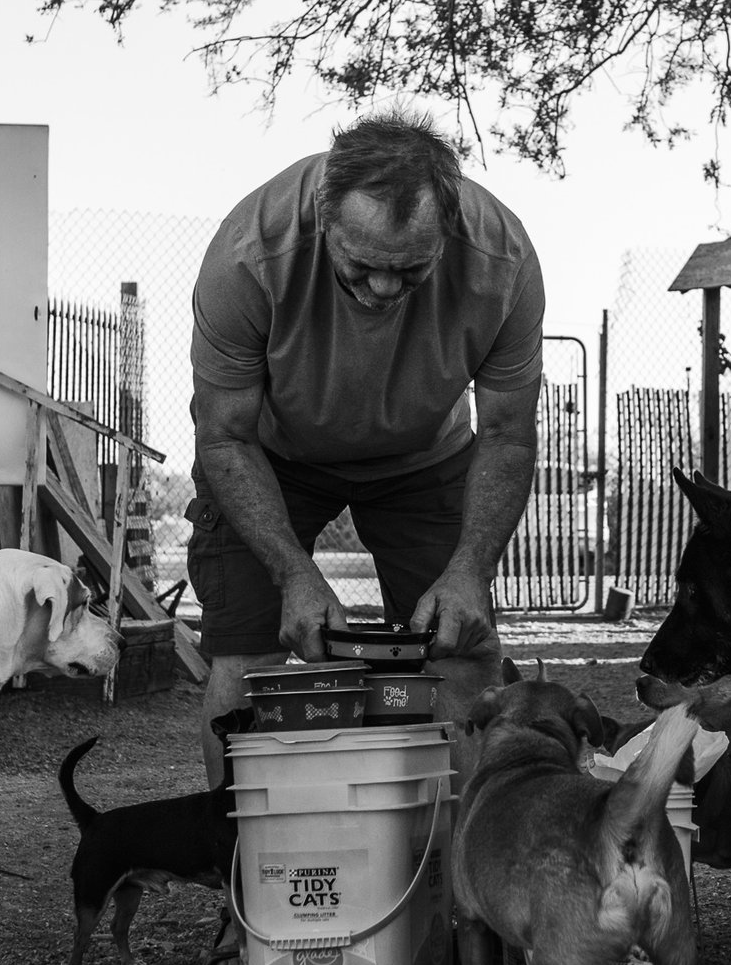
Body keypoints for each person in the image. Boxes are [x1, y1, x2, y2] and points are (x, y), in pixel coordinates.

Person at [188, 111, 543, 773]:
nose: (384, 287)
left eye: (411, 269)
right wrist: (293, 572)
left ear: (447, 229)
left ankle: (459, 862)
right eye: (363, 263)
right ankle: (246, 867)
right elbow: (226, 434)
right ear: (325, 217)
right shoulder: (248, 255)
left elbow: (507, 433)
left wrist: (470, 569)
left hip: (425, 460)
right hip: (271, 456)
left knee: (462, 649)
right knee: (247, 654)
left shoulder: (504, 260)